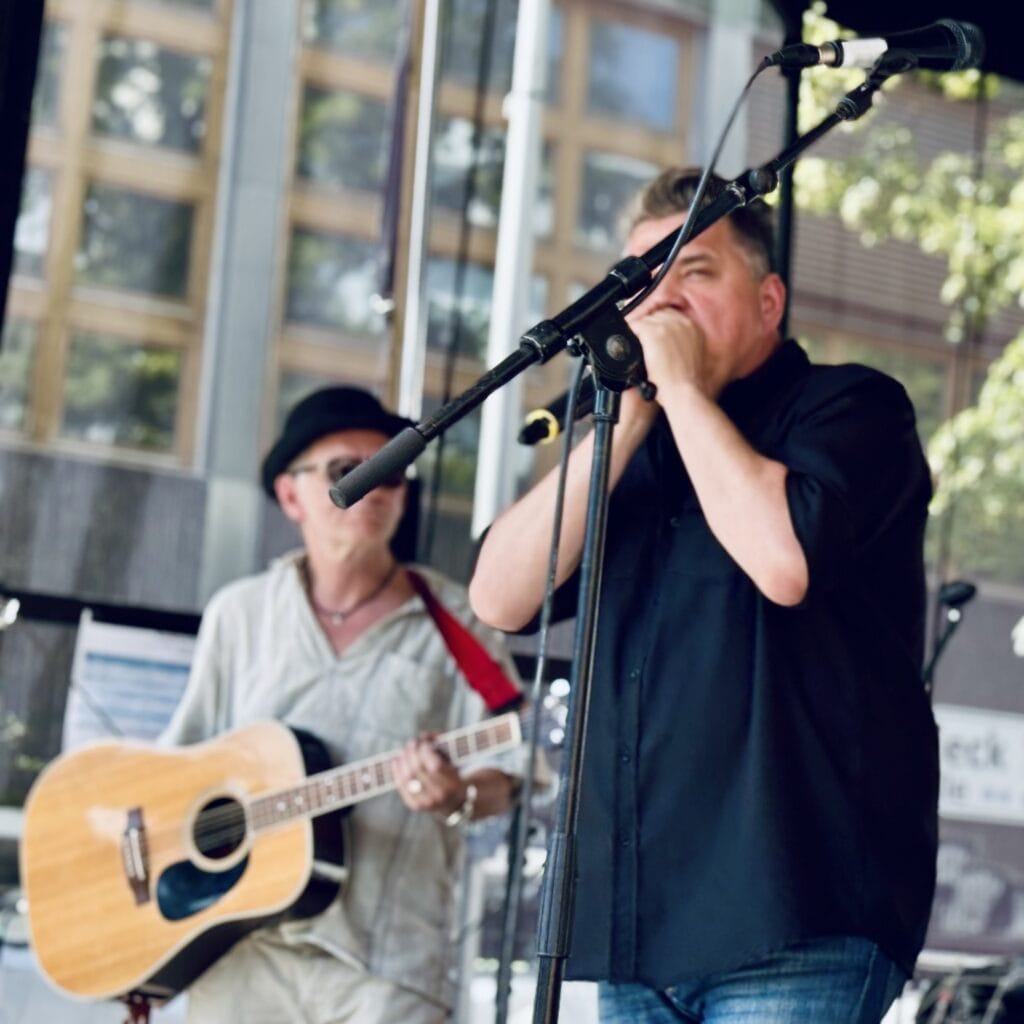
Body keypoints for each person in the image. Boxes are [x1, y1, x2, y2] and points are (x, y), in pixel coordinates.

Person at [469, 167, 939, 1023]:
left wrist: (681, 389)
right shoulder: (627, 443)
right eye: (643, 280)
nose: (664, 301)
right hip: (639, 926)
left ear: (768, 302)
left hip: (799, 914)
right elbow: (500, 596)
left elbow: (784, 560)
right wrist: (639, 414)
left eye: (697, 272)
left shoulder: (854, 407)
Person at [161, 385, 523, 1024]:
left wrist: (458, 796)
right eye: (346, 470)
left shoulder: (464, 620)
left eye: (391, 470)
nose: (374, 486)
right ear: (290, 493)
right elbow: (173, 781)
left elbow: (519, 771)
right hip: (241, 953)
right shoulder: (239, 615)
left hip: (389, 967)